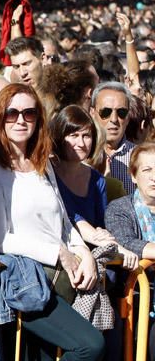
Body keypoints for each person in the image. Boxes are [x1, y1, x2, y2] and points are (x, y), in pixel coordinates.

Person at [0, 83, 104, 361]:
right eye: (12, 113)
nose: (21, 120)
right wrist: (59, 253)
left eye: (29, 113)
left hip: (59, 280)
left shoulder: (42, 163)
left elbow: (63, 220)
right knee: (89, 345)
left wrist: (83, 252)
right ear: (0, 116)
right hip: (24, 283)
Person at [50, 105, 138, 267]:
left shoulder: (97, 180)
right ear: (60, 137)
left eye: (86, 136)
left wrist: (103, 233)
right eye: (74, 135)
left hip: (94, 255)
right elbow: (70, 217)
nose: (81, 143)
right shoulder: (48, 174)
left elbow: (101, 223)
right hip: (60, 254)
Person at [106, 142, 155, 361]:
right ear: (133, 176)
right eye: (147, 170)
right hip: (137, 296)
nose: (154, 177)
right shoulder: (120, 208)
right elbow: (125, 242)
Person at [91, 82, 135, 194]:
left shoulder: (139, 157)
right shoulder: (80, 154)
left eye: (121, 112)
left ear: (128, 117)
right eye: (106, 112)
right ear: (92, 113)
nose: (114, 119)